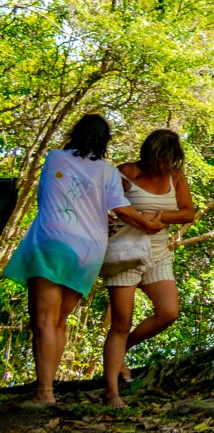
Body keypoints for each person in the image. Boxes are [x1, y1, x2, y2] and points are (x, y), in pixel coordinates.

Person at [0, 115, 164, 407]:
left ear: (76, 133)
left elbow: (45, 196)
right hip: (88, 252)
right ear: (104, 142)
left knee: (44, 321)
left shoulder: (55, 158)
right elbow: (123, 211)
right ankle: (47, 389)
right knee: (59, 321)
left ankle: (44, 393)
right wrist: (148, 225)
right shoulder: (108, 172)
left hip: (53, 243)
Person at [101, 129, 196, 407]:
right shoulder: (126, 173)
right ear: (149, 155)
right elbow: (100, 204)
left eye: (169, 161)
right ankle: (111, 392)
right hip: (125, 255)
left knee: (168, 312)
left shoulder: (175, 176)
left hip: (158, 255)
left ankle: (122, 351)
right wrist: (112, 220)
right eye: (160, 160)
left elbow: (188, 213)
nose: (164, 166)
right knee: (121, 323)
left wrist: (160, 215)